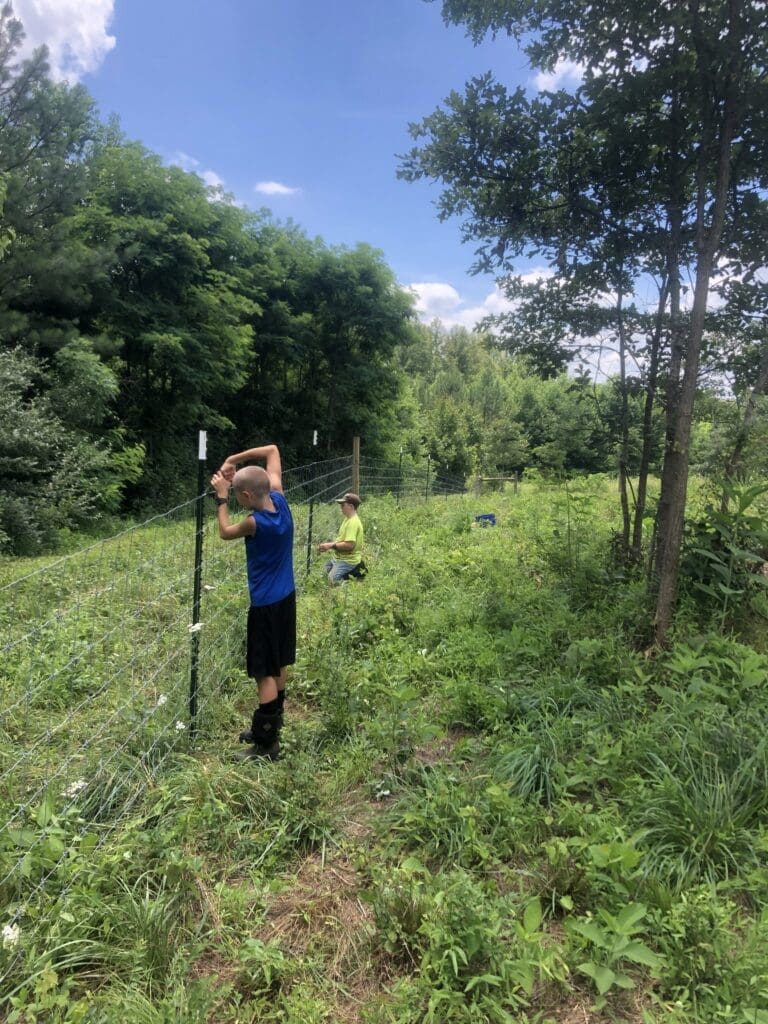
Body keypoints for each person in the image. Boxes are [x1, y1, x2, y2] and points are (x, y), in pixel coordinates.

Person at [210, 443, 295, 761]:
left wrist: (220, 496)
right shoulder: (280, 500)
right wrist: (234, 460)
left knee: (264, 672)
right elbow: (273, 450)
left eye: (235, 494)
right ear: (267, 488)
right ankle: (275, 721)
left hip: (265, 604)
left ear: (246, 497)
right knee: (279, 660)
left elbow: (224, 531)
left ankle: (265, 743)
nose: (233, 497)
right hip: (287, 596)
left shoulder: (254, 523)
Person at [318, 492, 366, 583]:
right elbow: (342, 539)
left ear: (351, 506)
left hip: (348, 560)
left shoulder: (353, 523)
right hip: (339, 557)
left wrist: (331, 545)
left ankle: (354, 578)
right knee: (323, 573)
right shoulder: (347, 519)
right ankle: (352, 573)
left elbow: (349, 545)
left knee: (332, 580)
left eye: (343, 505)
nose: (341, 507)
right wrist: (329, 545)